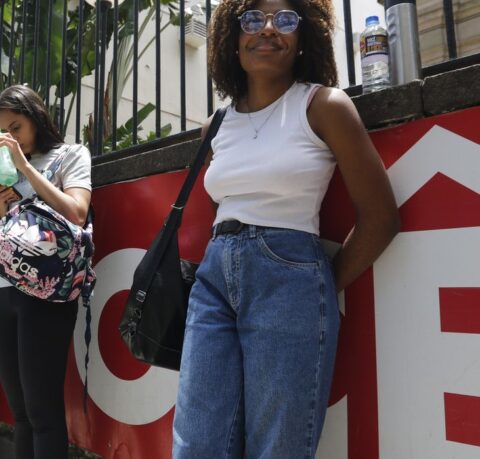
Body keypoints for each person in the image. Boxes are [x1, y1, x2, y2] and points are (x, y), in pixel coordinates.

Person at [171, 1, 401, 458]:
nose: (269, 29)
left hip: (289, 276)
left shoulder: (323, 106)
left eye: (286, 20)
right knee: (197, 445)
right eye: (253, 19)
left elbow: (381, 217)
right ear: (232, 42)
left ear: (304, 37)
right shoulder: (215, 127)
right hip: (213, 280)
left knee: (277, 448)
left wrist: (314, 287)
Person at [0, 85, 92, 459]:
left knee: (43, 412)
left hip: (48, 291)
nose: (10, 138)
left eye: (16, 127)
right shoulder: (7, 169)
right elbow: (13, 237)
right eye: (2, 131)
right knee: (21, 415)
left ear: (37, 118)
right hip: (5, 288)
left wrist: (26, 167)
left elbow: (77, 213)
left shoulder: (70, 155)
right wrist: (2, 206)